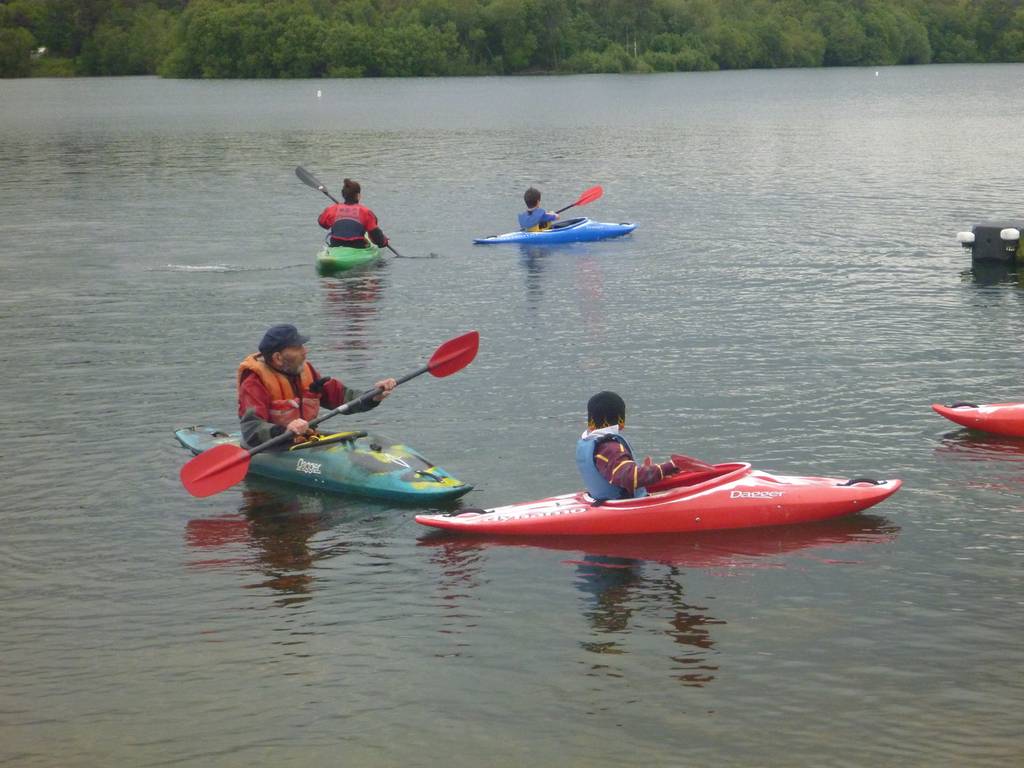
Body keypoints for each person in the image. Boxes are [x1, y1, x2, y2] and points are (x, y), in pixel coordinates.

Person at [237, 323, 396, 448]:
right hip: (272, 447)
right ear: (278, 357)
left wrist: (374, 395)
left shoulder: (307, 371)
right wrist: (285, 430)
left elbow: (343, 398)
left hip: (304, 440)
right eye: (297, 348)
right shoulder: (254, 382)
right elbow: (252, 429)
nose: (305, 352)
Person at [575, 391, 679, 501]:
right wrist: (671, 466)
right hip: (622, 505)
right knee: (679, 492)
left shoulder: (588, 440)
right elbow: (629, 478)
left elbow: (617, 471)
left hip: (600, 500)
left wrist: (648, 470)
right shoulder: (610, 448)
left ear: (591, 420)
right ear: (620, 418)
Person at [317, 179, 388, 249]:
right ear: (358, 195)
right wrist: (384, 242)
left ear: (343, 195)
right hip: (357, 247)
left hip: (335, 245)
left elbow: (322, 223)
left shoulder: (331, 209)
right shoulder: (366, 212)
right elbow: (375, 235)